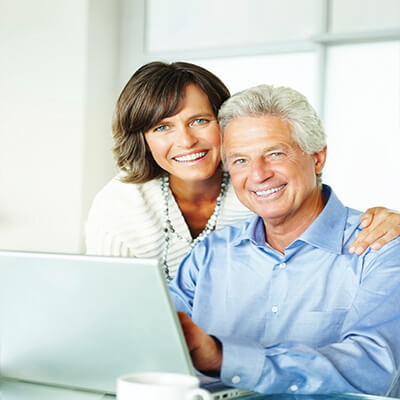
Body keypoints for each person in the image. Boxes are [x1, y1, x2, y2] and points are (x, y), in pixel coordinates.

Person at [169, 84, 400, 395]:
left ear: (318, 158)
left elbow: (374, 368)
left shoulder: (382, 247)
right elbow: (156, 335)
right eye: (240, 161)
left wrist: (224, 358)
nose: (259, 174)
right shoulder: (210, 252)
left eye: (275, 154)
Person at [85, 61, 400, 280]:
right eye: (162, 127)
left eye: (199, 121)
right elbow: (108, 302)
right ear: (143, 139)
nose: (186, 140)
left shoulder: (260, 188)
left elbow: (323, 225)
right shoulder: (120, 206)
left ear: (225, 124)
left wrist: (383, 219)